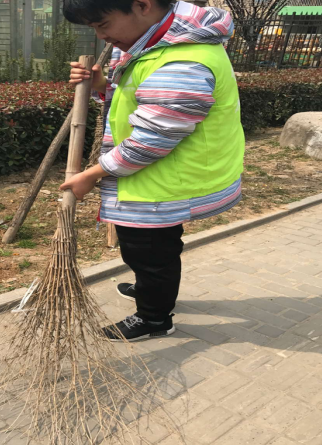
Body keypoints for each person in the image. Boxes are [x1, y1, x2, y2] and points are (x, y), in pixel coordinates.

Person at [60, 0, 245, 341]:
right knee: (151, 251)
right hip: (157, 177)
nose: (101, 37)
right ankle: (152, 287)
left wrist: (93, 174)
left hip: (162, 181)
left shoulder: (183, 61)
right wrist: (103, 85)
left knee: (150, 253)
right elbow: (140, 97)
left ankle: (154, 317)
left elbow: (151, 141)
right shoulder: (156, 43)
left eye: (103, 24)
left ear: (142, 5)